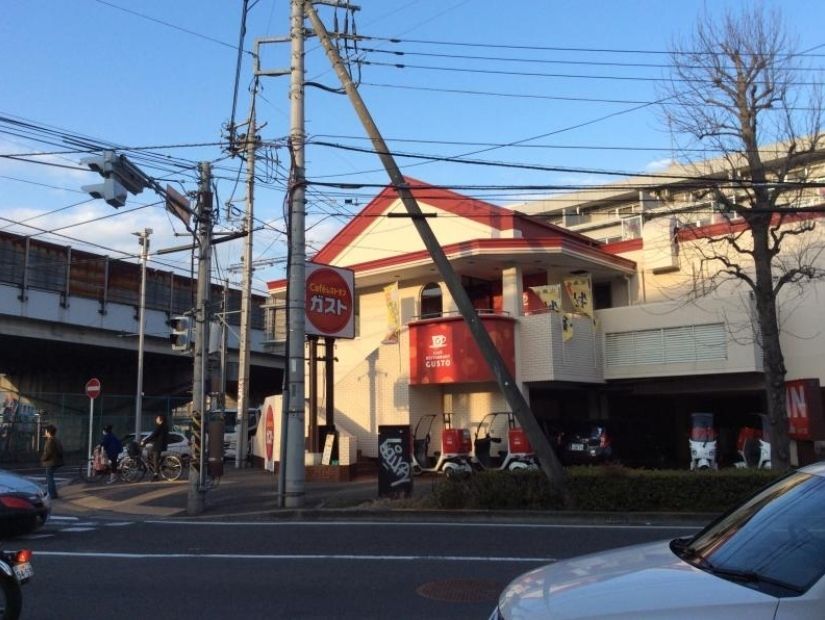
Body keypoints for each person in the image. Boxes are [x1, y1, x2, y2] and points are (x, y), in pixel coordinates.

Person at [40, 424, 64, 499]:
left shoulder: (50, 441)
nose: (45, 432)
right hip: (56, 461)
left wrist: (42, 458)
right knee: (50, 477)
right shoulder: (56, 439)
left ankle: (52, 494)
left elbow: (48, 453)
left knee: (49, 478)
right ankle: (53, 493)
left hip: (51, 462)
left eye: (46, 431)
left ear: (48, 432)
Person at [141, 415, 169, 480]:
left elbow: (153, 435)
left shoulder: (159, 427)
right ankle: (157, 467)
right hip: (161, 445)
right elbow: (156, 436)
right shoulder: (165, 426)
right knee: (151, 454)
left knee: (155, 460)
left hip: (158, 446)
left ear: (160, 420)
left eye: (157, 418)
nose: (156, 419)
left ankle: (155, 475)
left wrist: (145, 441)